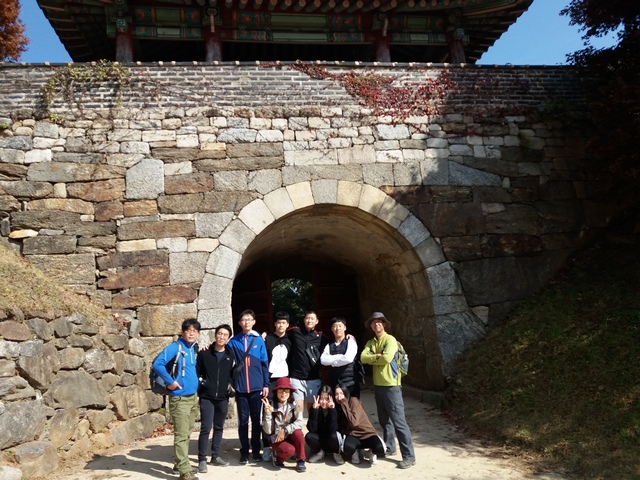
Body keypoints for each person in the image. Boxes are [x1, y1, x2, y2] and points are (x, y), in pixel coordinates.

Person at [360, 312, 416, 469]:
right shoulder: (371, 342)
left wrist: (374, 357)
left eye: (380, 322)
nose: (376, 324)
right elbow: (363, 358)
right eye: (374, 322)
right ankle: (390, 447)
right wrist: (377, 356)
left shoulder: (390, 340)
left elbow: (387, 358)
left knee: (399, 421)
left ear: (384, 324)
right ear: (371, 326)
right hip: (378, 385)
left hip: (392, 385)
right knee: (384, 420)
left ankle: (409, 456)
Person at [152, 318, 201, 480]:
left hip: (192, 397)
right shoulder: (176, 347)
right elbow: (158, 364)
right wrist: (170, 382)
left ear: (198, 333)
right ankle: (185, 471)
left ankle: (179, 462)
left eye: (194, 331)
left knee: (186, 433)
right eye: (188, 330)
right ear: (182, 332)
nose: (191, 333)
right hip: (179, 398)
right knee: (181, 434)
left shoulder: (193, 348)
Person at [227, 309, 270, 464]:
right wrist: (208, 347)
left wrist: (266, 384)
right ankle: (244, 452)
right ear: (239, 323)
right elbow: (222, 352)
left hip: (257, 386)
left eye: (249, 319)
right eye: (243, 320)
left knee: (256, 420)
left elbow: (265, 364)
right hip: (241, 387)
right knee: (243, 421)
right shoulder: (233, 341)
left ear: (253, 322)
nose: (246, 322)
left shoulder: (258, 341)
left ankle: (256, 450)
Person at [196, 324, 234, 472]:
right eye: (219, 334)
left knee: (219, 427)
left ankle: (215, 456)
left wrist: (229, 384)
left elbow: (231, 374)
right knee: (205, 428)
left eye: (225, 335)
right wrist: (202, 386)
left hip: (223, 397)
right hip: (207, 396)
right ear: (215, 334)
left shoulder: (230, 354)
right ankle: (202, 459)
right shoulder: (204, 353)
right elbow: (197, 372)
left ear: (228, 338)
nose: (221, 337)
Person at [261, 311, 292, 461]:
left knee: (286, 412)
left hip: (285, 380)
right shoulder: (267, 338)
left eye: (283, 323)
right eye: (278, 322)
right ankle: (267, 445)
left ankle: (285, 443)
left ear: (287, 324)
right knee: (268, 412)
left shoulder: (291, 339)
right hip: (270, 379)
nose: (281, 325)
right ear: (275, 324)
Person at [261, 377, 307, 472]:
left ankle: (301, 460)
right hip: (277, 438)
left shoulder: (294, 405)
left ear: (290, 392)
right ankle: (278, 459)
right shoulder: (270, 406)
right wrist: (268, 414)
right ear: (276, 392)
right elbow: (268, 431)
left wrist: (286, 430)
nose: (283, 393)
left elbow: (299, 422)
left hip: (289, 434)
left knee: (298, 433)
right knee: (289, 450)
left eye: (286, 390)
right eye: (280, 390)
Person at [287, 310, 329, 414]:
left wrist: (348, 337)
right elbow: (280, 334)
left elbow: (335, 344)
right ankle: (298, 425)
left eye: (312, 319)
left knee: (313, 409)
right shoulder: (295, 331)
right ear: (304, 320)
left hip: (313, 378)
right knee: (297, 410)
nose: (309, 321)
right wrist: (266, 334)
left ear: (317, 321)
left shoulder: (321, 337)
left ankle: (312, 425)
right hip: (296, 377)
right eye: (307, 318)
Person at [334, 384, 385, 465]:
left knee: (380, 448)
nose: (339, 396)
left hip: (367, 432)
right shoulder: (337, 407)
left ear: (346, 393)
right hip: (353, 434)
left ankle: (371, 453)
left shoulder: (353, 401)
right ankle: (355, 452)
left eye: (341, 393)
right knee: (347, 449)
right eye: (336, 394)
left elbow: (354, 422)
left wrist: (344, 403)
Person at [320, 317, 361, 398]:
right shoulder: (329, 345)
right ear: (332, 329)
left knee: (352, 403)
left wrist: (332, 362)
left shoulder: (350, 341)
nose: (337, 328)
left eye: (340, 326)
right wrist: (340, 357)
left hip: (350, 381)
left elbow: (348, 358)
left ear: (344, 328)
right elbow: (323, 360)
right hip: (335, 382)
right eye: (335, 326)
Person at [305, 385, 343, 465]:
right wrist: (314, 411)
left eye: (327, 399)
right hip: (320, 439)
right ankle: (319, 453)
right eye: (322, 398)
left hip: (332, 440)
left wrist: (332, 410)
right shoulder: (315, 408)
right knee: (309, 436)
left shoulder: (336, 409)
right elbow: (312, 429)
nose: (324, 402)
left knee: (334, 435)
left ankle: (336, 453)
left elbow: (334, 429)